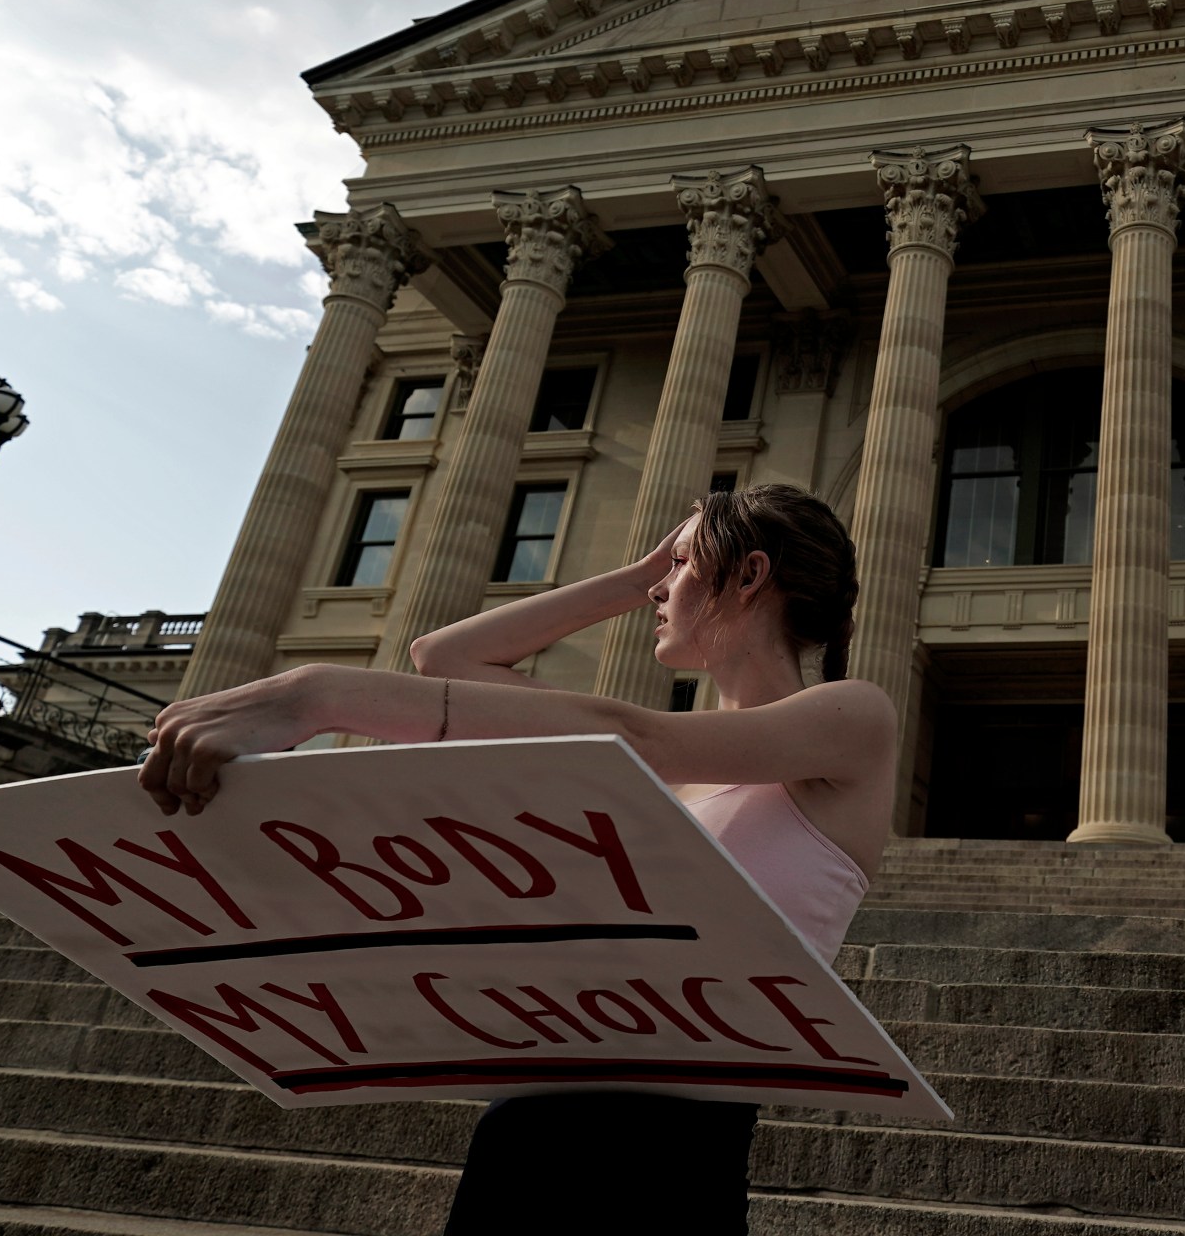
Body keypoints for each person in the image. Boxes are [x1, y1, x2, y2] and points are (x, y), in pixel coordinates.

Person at [140, 483, 893, 1235]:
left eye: (681, 563)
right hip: (530, 1126)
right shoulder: (659, 756)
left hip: (672, 1154)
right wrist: (635, 576)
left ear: (751, 574)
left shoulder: (852, 719)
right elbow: (444, 657)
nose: (660, 587)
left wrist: (315, 693)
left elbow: (640, 736)